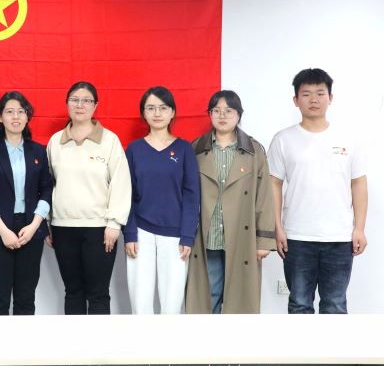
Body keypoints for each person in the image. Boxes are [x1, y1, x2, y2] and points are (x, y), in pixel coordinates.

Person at [268, 68, 367, 314]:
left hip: (339, 237)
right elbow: (273, 184)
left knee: (335, 304)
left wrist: (359, 228)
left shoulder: (348, 138)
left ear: (330, 98)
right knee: (299, 304)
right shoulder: (283, 139)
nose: (314, 99)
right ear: (296, 100)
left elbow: (358, 183)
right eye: (306, 94)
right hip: (297, 237)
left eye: (320, 93)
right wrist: (277, 227)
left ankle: (331, 344)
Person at [185, 90, 275, 314]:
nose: (222, 115)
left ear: (239, 114)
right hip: (208, 235)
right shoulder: (196, 149)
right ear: (209, 114)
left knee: (240, 298)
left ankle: (235, 338)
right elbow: (187, 194)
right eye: (216, 110)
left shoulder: (254, 151)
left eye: (228, 110)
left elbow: (264, 197)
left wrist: (264, 241)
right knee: (209, 295)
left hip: (242, 235)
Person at [46, 81, 131, 315]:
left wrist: (114, 223)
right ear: (67, 104)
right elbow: (47, 184)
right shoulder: (56, 142)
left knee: (98, 293)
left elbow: (121, 183)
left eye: (86, 100)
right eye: (74, 100)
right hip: (63, 227)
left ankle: (98, 340)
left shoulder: (109, 141)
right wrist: (48, 222)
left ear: (95, 106)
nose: (80, 105)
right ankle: (75, 340)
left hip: (99, 229)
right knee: (72, 291)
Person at [0, 91, 53, 316]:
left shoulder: (38, 150)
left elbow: (47, 189)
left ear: (28, 116)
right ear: (0, 117)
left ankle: (23, 341)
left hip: (31, 229)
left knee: (26, 297)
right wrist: (3, 231)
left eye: (21, 111)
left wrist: (35, 225)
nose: (16, 117)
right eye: (9, 112)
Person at [123, 86, 200, 314]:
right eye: (151, 108)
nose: (157, 113)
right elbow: (126, 193)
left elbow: (191, 194)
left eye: (163, 108)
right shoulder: (134, 149)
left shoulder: (184, 149)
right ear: (143, 113)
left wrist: (187, 235)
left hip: (175, 234)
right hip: (141, 232)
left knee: (172, 302)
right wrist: (130, 233)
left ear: (172, 112)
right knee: (140, 301)